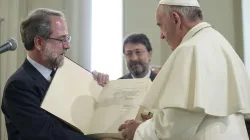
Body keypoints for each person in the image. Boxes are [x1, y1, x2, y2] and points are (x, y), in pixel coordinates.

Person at [117, 0, 250, 140]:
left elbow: (176, 126)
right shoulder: (219, 42)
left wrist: (138, 131)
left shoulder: (190, 49)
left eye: (161, 25)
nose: (161, 35)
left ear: (176, 19)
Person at [1, 8, 108, 140]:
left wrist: (95, 86)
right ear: (39, 43)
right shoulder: (18, 86)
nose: (67, 45)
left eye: (67, 38)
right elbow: (49, 134)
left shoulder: (68, 76)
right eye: (61, 39)